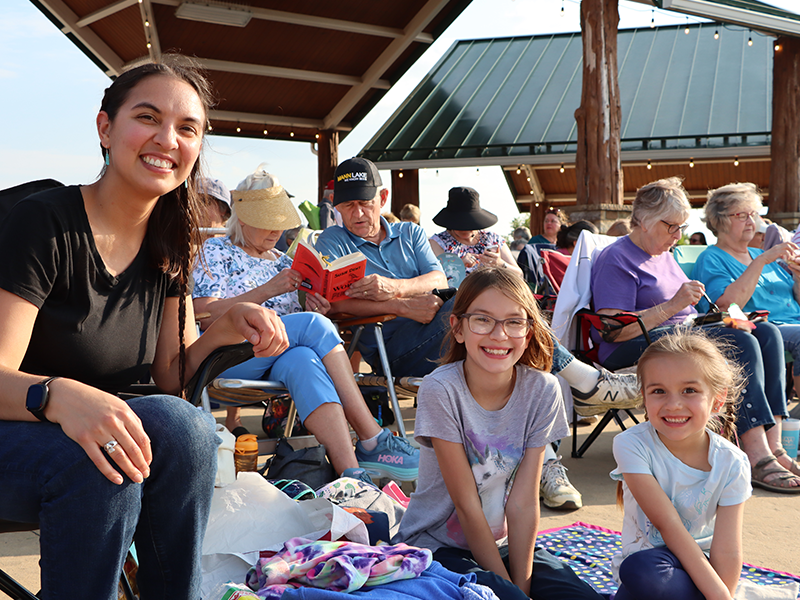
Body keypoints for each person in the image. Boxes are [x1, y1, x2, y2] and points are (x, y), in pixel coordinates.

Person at [0, 57, 295, 599]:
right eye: (147, 117)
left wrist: (224, 326)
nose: (167, 139)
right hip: (20, 432)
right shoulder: (43, 222)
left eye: (187, 128)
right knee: (100, 459)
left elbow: (170, 379)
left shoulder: (170, 241)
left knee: (184, 427)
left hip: (104, 434)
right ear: (105, 128)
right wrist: (60, 397)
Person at [315, 157, 640, 509]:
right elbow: (333, 304)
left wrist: (392, 288)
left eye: (365, 203)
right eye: (348, 206)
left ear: (382, 197)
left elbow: (437, 278)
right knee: (480, 306)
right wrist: (400, 306)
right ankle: (586, 384)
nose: (359, 214)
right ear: (337, 208)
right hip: (395, 345)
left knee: (504, 334)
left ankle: (545, 463)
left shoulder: (409, 233)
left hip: (451, 332)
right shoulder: (334, 241)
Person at [193, 167, 418, 481]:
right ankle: (372, 437)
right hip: (228, 355)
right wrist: (267, 291)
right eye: (267, 222)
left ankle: (351, 477)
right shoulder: (215, 251)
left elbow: (302, 325)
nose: (276, 232)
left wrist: (317, 305)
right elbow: (200, 311)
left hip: (276, 355)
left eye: (280, 223)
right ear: (242, 217)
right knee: (311, 327)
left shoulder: (285, 261)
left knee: (305, 359)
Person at [394, 267, 604, 600]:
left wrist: (521, 583)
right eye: (482, 320)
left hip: (503, 544)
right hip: (435, 547)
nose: (498, 335)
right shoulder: (441, 389)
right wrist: (512, 592)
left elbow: (523, 502)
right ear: (458, 328)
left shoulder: (543, 389)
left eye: (513, 322)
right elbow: (466, 505)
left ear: (529, 331)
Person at [591, 176, 800, 493]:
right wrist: (674, 304)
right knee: (739, 339)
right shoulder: (618, 258)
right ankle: (755, 453)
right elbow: (613, 332)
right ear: (645, 221)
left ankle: (773, 447)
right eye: (671, 227)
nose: (677, 236)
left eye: (681, 228)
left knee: (765, 331)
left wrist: (705, 315)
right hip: (635, 345)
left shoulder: (662, 254)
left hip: (677, 335)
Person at [610, 330, 751, 600]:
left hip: (705, 569)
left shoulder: (732, 462)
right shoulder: (631, 444)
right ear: (644, 397)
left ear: (717, 400)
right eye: (659, 391)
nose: (674, 404)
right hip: (656, 570)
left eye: (690, 391)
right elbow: (668, 524)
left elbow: (728, 549)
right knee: (641, 570)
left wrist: (722, 594)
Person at [693, 182, 800, 421]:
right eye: (742, 215)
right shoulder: (712, 258)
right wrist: (760, 262)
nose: (751, 221)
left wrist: (798, 278)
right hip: (762, 329)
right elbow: (726, 306)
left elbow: (795, 300)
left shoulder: (759, 255)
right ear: (719, 220)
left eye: (754, 214)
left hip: (792, 323)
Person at [428, 186, 523, 276]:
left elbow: (519, 275)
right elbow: (434, 278)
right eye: (460, 224)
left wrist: (500, 263)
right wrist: (459, 264)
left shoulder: (492, 238)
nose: (465, 228)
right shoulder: (438, 242)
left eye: (470, 223)